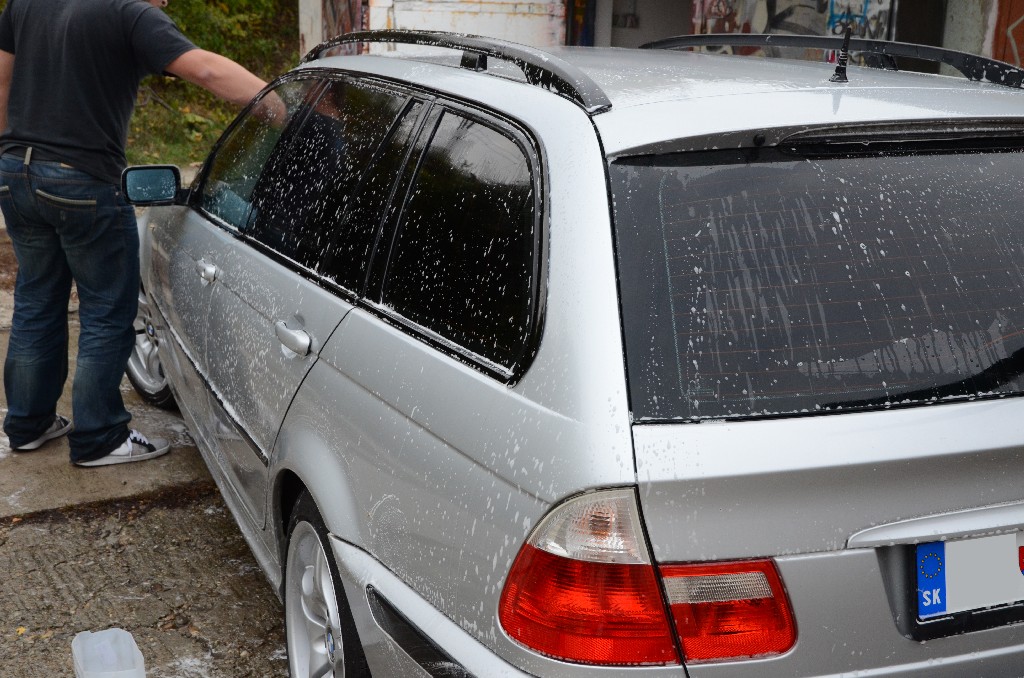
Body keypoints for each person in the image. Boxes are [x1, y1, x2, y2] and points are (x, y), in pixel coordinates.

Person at [0, 0, 270, 466]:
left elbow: (2, 79)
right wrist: (280, 102)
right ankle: (99, 438)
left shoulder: (27, 2)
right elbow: (206, 69)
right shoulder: (128, 12)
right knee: (106, 310)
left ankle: (28, 425)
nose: (163, 3)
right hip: (83, 180)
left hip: (14, 173)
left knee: (35, 300)